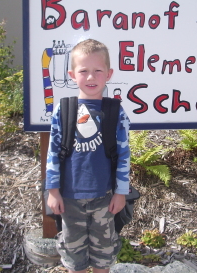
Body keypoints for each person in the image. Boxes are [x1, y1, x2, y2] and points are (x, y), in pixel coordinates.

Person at [46, 39, 130, 273]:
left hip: (105, 197)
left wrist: (121, 193)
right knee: (74, 256)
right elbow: (53, 152)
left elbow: (123, 154)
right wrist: (53, 192)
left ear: (109, 74)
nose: (91, 77)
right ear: (72, 74)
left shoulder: (115, 111)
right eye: (84, 71)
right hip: (69, 199)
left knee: (104, 255)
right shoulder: (63, 110)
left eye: (98, 71)